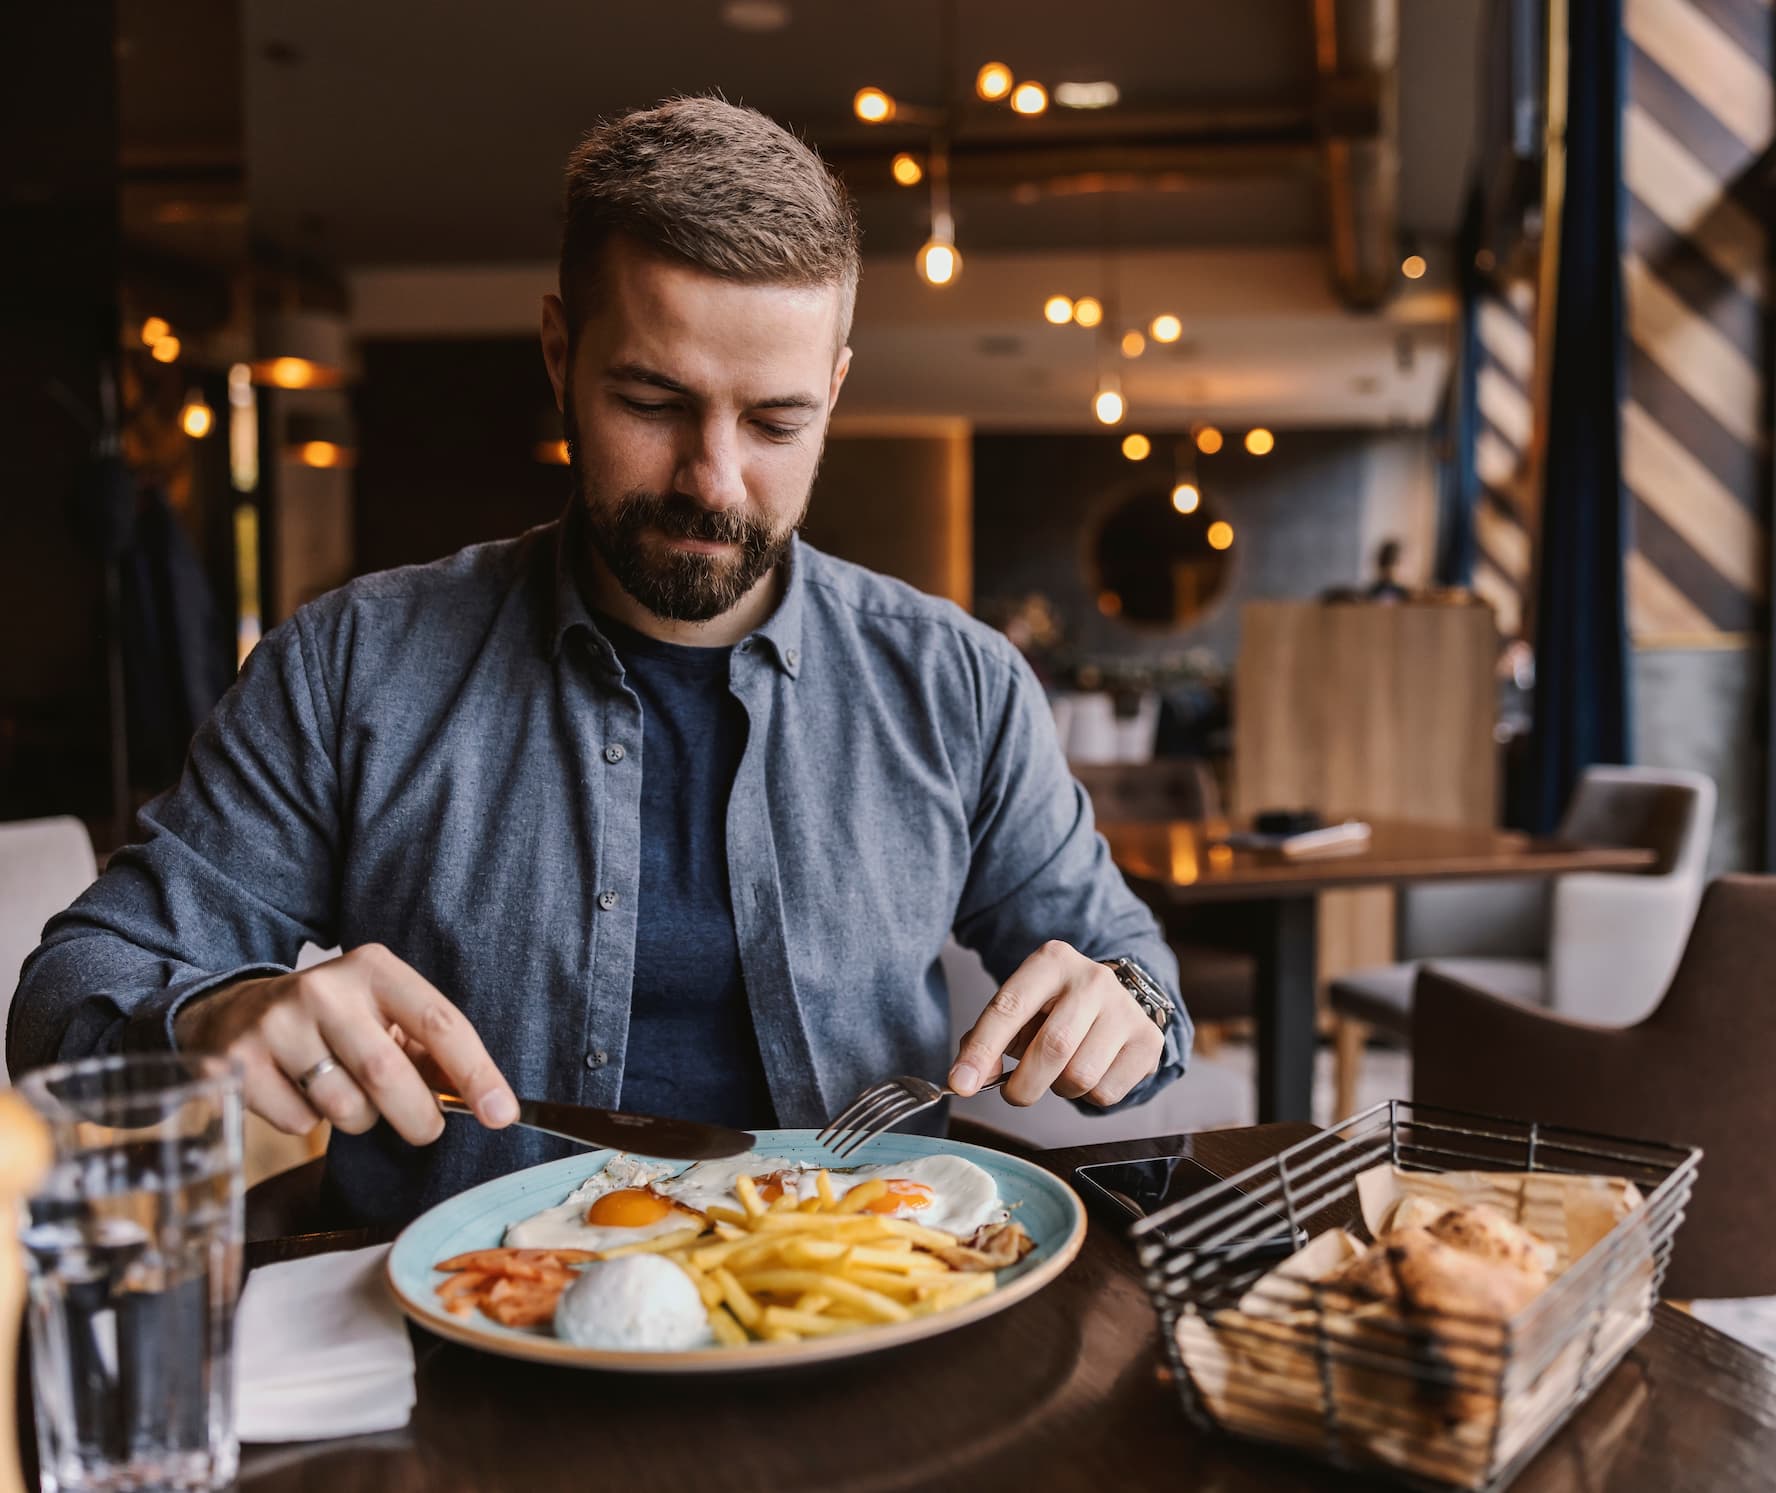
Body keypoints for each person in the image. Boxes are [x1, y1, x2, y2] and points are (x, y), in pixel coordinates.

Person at [8, 97, 1190, 1228]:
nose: (713, 482)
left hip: (856, 1313)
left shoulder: (958, 683)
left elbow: (1138, 980)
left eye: (776, 423)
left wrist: (1119, 1010)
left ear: (832, 390)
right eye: (651, 400)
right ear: (560, 352)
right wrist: (223, 1011)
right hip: (470, 1346)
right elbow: (65, 994)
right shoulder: (350, 666)